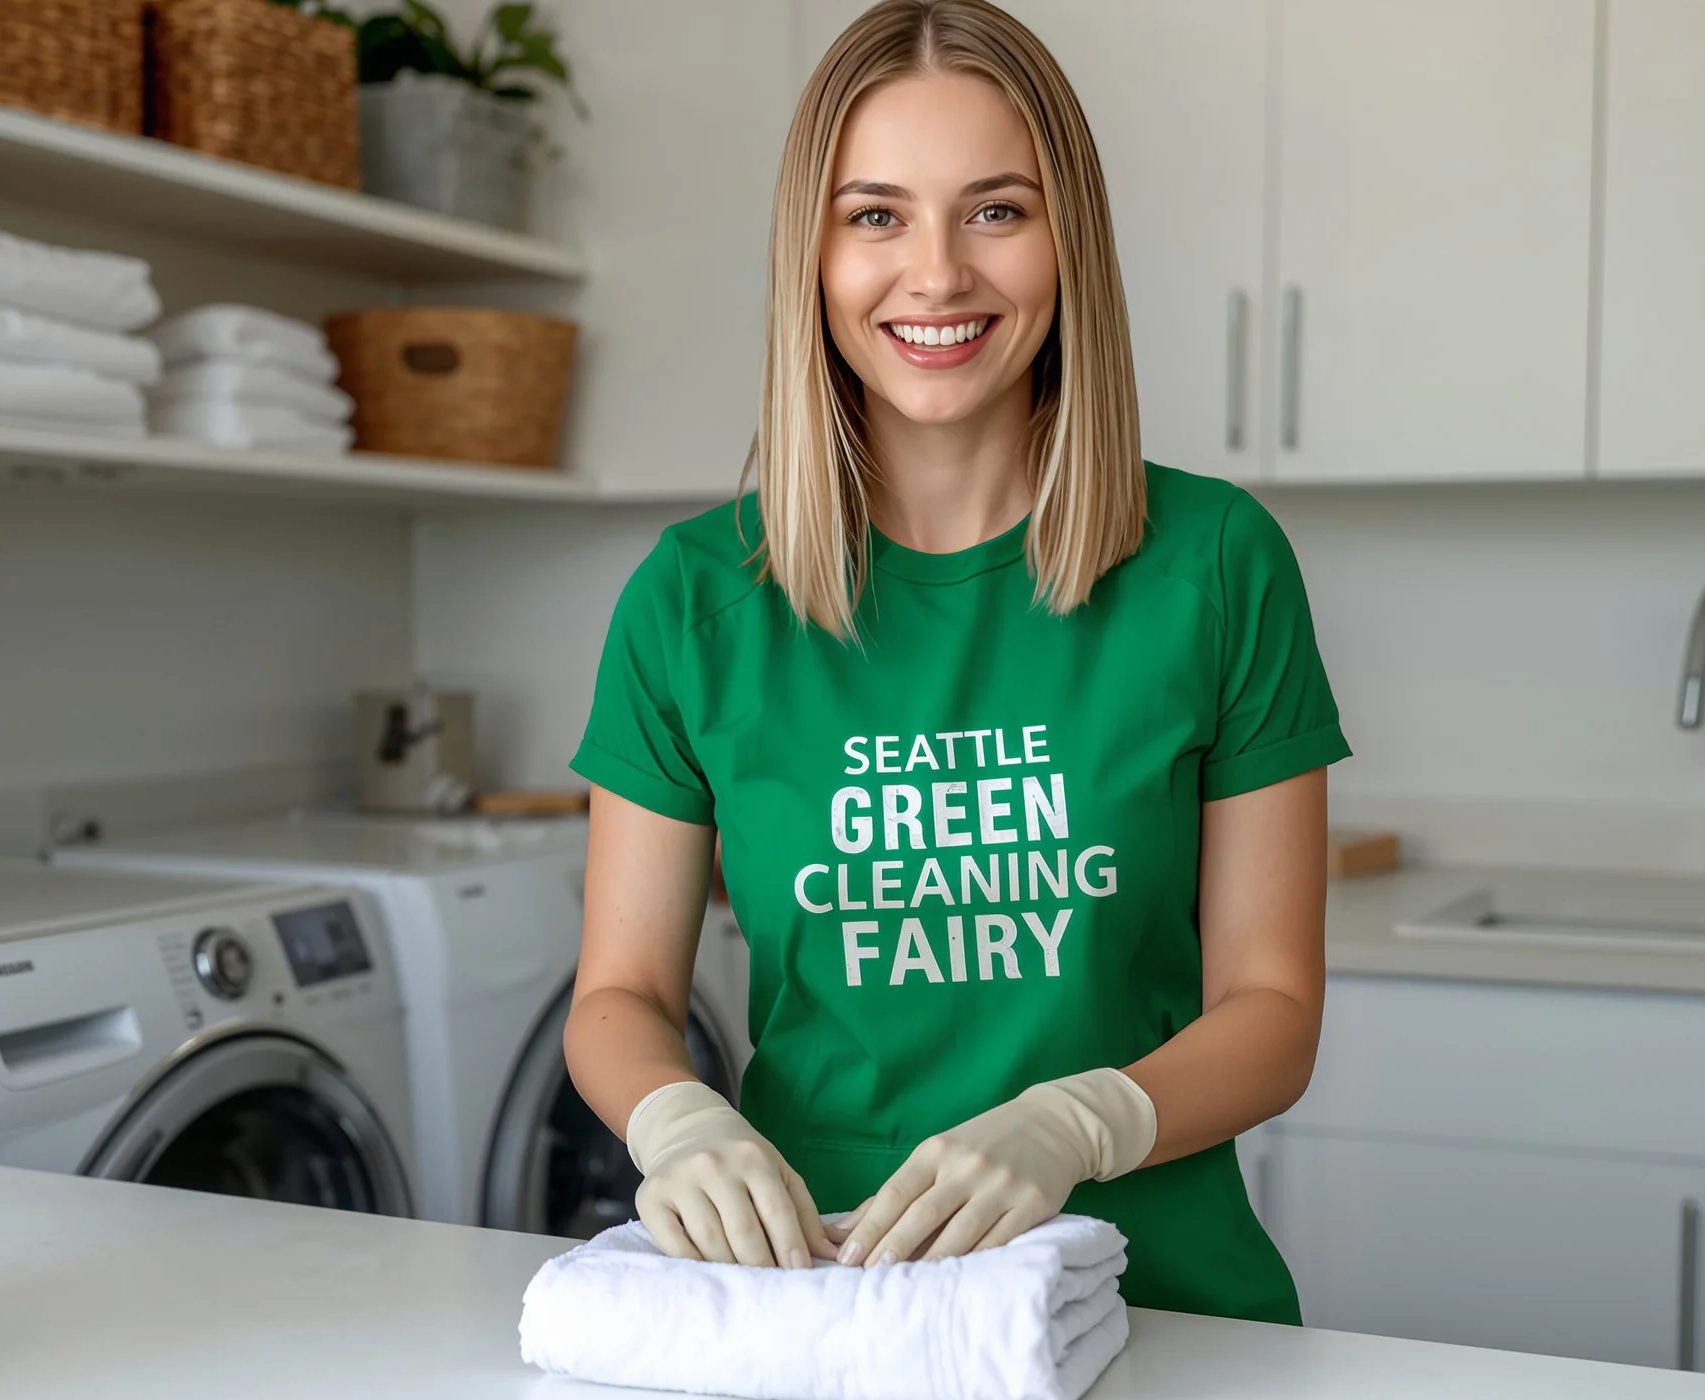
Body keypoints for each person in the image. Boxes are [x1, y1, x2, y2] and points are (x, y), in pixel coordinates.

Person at [560, 0, 1345, 1325]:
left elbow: (1272, 1008)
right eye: (876, 216)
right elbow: (621, 995)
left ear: (1067, 241)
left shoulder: (1216, 563)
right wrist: (679, 1123)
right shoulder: (695, 601)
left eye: (995, 210)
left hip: (1166, 1304)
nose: (935, 275)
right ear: (811, 255)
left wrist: (1081, 1122)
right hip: (828, 1294)